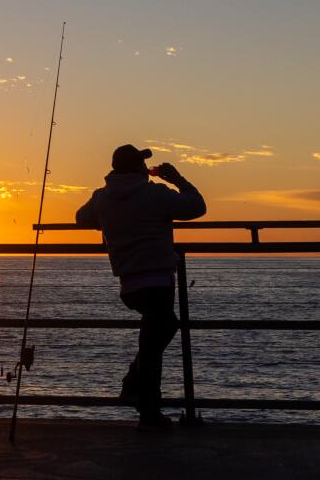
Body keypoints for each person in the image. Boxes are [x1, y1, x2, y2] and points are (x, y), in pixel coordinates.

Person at [75, 144, 206, 431]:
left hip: (130, 284)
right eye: (142, 164)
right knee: (155, 341)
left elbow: (80, 218)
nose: (146, 169)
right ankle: (146, 410)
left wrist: (108, 220)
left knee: (160, 332)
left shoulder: (102, 198)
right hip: (159, 279)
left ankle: (137, 392)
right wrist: (176, 179)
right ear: (137, 168)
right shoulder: (155, 193)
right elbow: (197, 207)